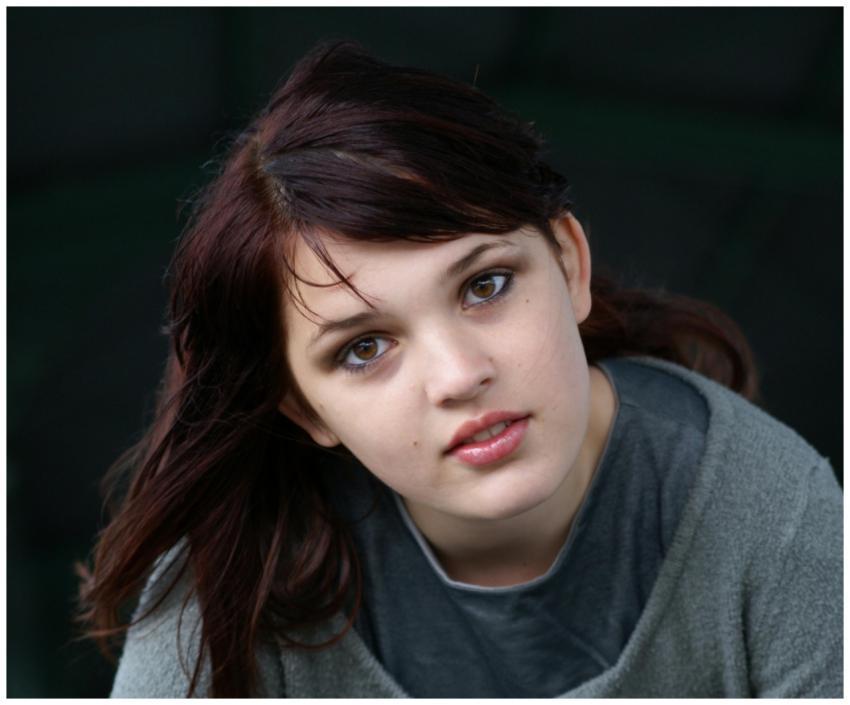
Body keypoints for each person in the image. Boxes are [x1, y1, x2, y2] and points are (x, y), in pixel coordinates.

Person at [77, 40, 842, 698]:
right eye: (363, 348)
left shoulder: (771, 515)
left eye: (485, 285)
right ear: (304, 408)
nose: (457, 375)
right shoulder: (229, 583)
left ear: (569, 263)